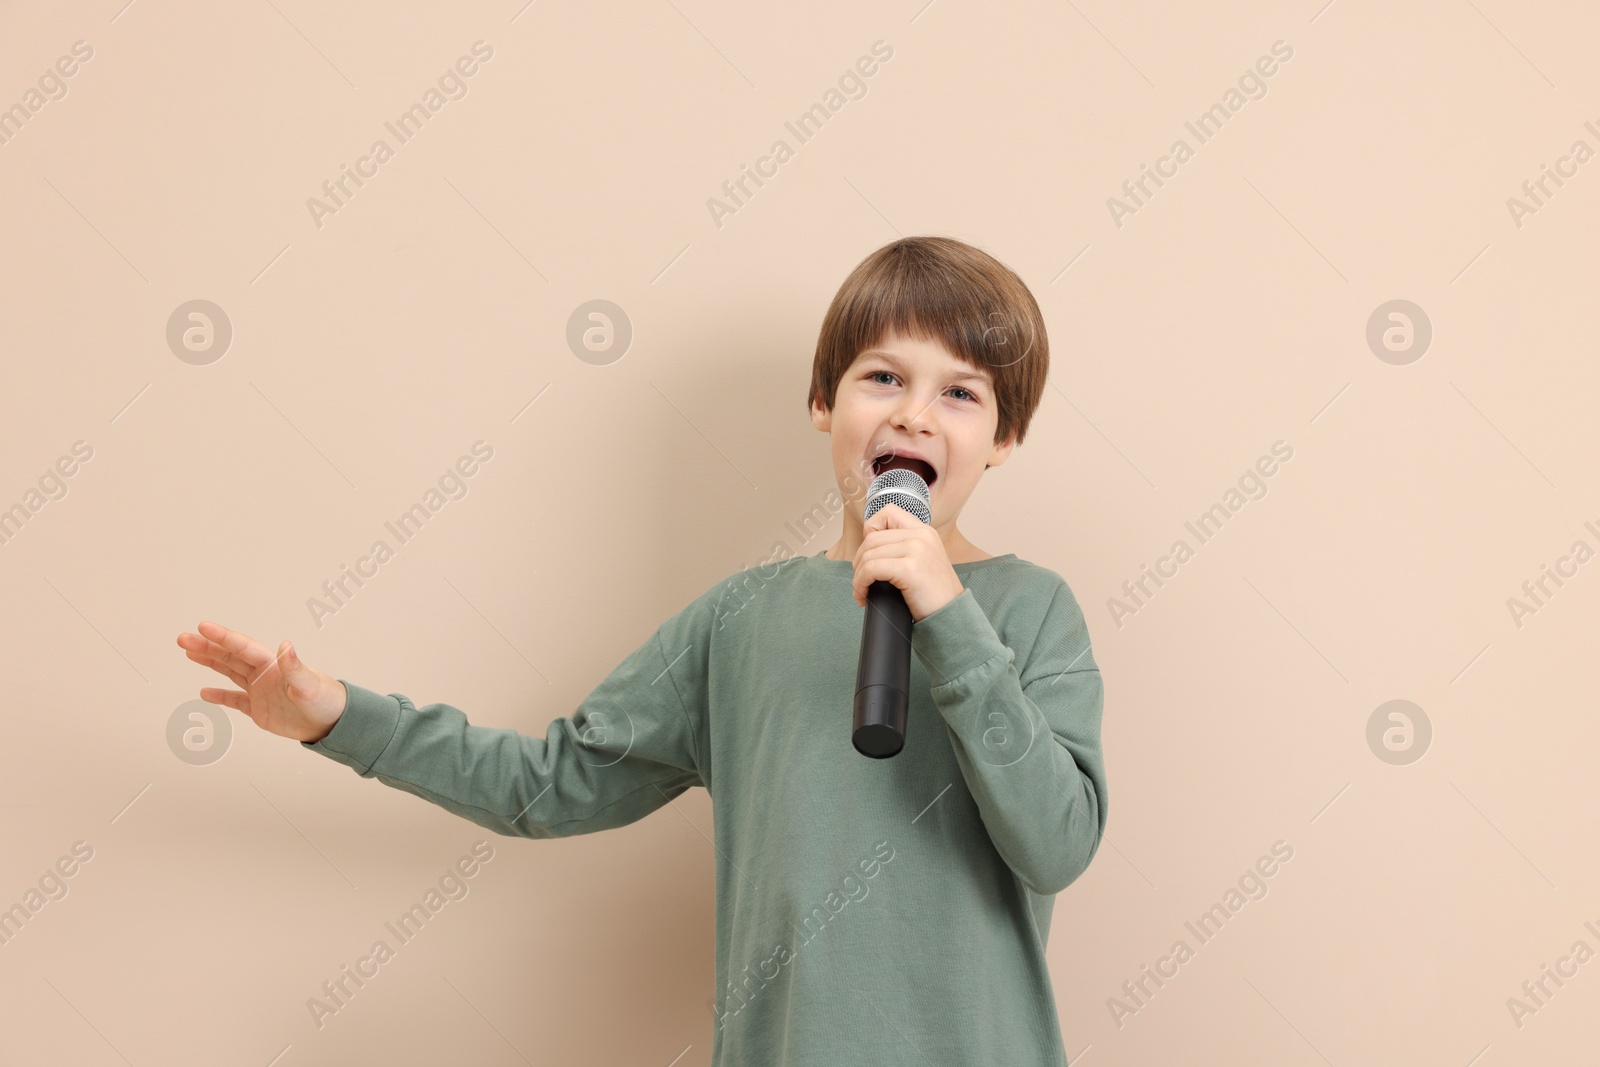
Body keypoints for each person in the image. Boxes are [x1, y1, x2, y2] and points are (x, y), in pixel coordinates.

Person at [176, 235, 1108, 1066]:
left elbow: (1057, 842)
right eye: (883, 378)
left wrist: (950, 617)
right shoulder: (738, 621)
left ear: (1005, 438)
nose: (914, 415)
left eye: (960, 393)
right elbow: (550, 782)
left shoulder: (1030, 610)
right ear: (824, 402)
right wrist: (339, 717)